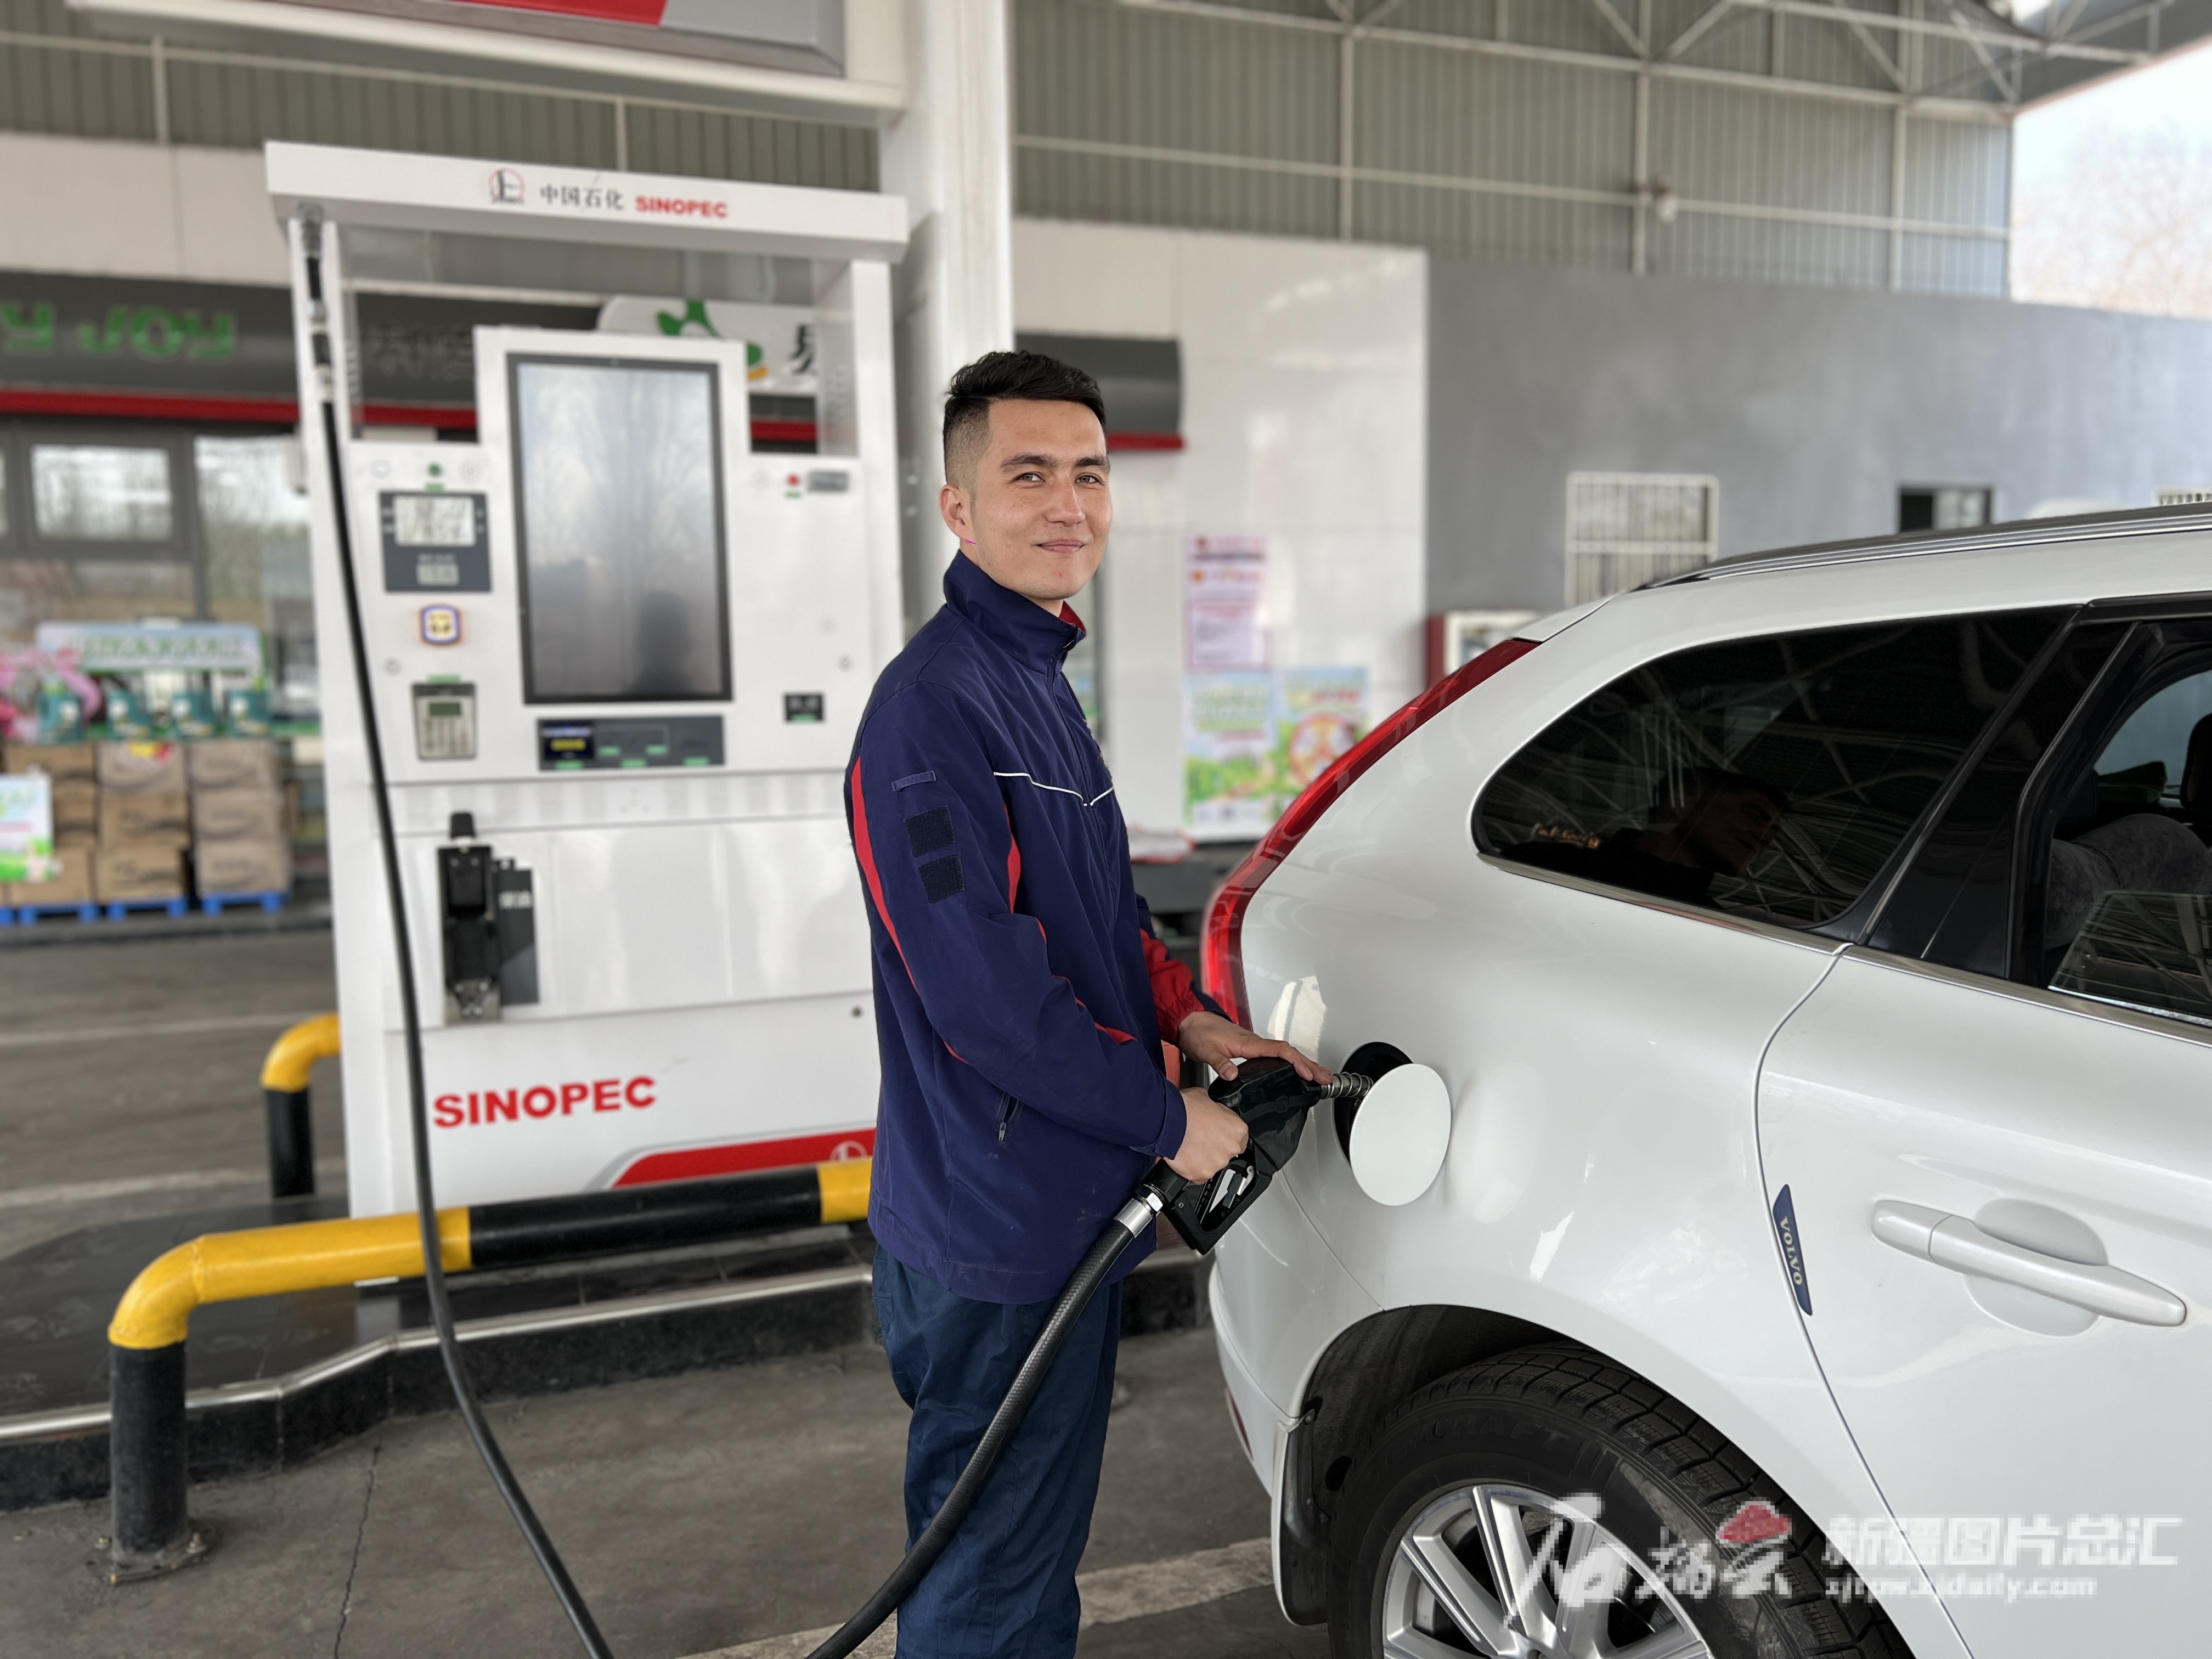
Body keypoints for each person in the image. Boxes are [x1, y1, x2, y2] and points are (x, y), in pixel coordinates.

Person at [843, 349, 1329, 1658]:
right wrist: (1169, 1120)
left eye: (1091, 474)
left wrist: (1197, 1025)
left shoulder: (1033, 683)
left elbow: (1098, 924)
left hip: (1055, 1208)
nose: (1070, 505)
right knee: (994, 1577)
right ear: (958, 507)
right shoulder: (932, 713)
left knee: (1021, 1555)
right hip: (997, 1227)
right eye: (1029, 474)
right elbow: (988, 1001)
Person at [1505, 767, 1787, 905]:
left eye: (1774, 830)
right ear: (1682, 804)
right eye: (1755, 815)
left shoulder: (1541, 864)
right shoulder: (1539, 866)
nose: (1766, 837)